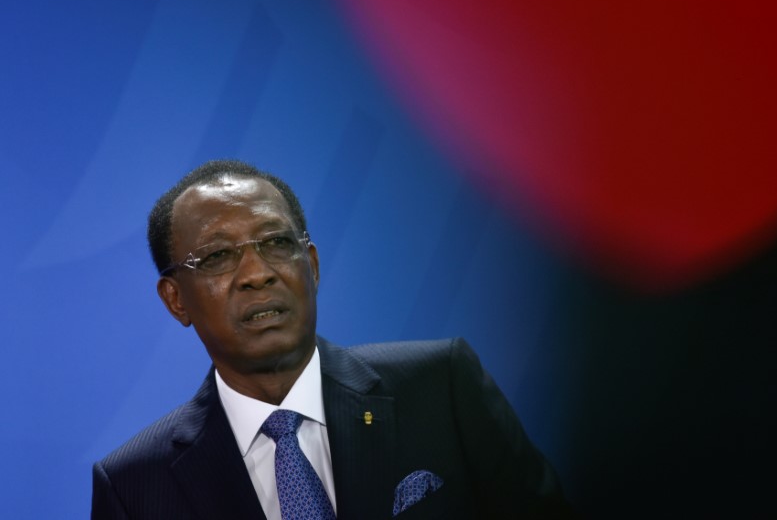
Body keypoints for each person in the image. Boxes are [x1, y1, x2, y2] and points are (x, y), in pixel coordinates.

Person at [91, 159, 573, 519]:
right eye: (218, 256)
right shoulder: (134, 486)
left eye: (278, 243)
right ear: (176, 300)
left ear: (313, 266)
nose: (257, 274)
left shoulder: (440, 387)